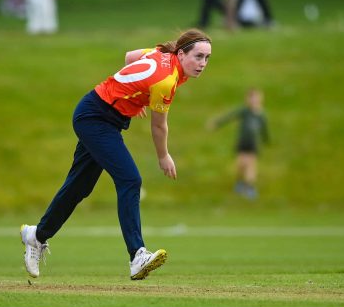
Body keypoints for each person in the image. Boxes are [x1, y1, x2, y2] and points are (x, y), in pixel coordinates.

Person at [20, 29, 213, 280]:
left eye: (207, 58)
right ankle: (137, 255)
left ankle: (36, 236)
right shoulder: (166, 80)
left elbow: (130, 57)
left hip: (100, 115)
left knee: (79, 186)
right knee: (130, 179)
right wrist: (163, 156)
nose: (202, 64)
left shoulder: (161, 53)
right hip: (95, 118)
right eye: (198, 56)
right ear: (181, 52)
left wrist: (136, 95)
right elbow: (158, 126)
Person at [208, 88, 269, 200]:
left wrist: (266, 140)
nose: (254, 101)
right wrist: (217, 124)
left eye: (256, 98)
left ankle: (250, 188)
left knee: (251, 165)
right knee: (241, 165)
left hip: (253, 145)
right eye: (252, 98)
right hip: (242, 143)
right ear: (247, 100)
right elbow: (230, 117)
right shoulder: (245, 112)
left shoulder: (261, 116)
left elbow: (264, 130)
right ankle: (240, 183)